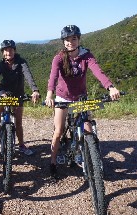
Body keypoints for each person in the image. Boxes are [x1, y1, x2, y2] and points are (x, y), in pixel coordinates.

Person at [44, 25, 120, 180]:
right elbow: (53, 77)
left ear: (78, 39)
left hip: (80, 97)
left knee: (88, 129)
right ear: (63, 41)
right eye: (67, 39)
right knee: (58, 131)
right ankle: (52, 162)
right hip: (63, 97)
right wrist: (49, 95)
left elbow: (98, 71)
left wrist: (110, 87)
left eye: (74, 38)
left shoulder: (87, 55)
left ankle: (90, 156)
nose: (70, 42)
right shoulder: (59, 58)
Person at [0, 40, 40, 156]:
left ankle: (21, 145)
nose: (8, 52)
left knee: (18, 122)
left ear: (14, 51)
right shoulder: (1, 64)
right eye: (6, 50)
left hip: (18, 93)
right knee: (1, 99)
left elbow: (28, 75)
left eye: (11, 50)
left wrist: (35, 90)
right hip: (4, 90)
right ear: (3, 52)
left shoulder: (21, 62)